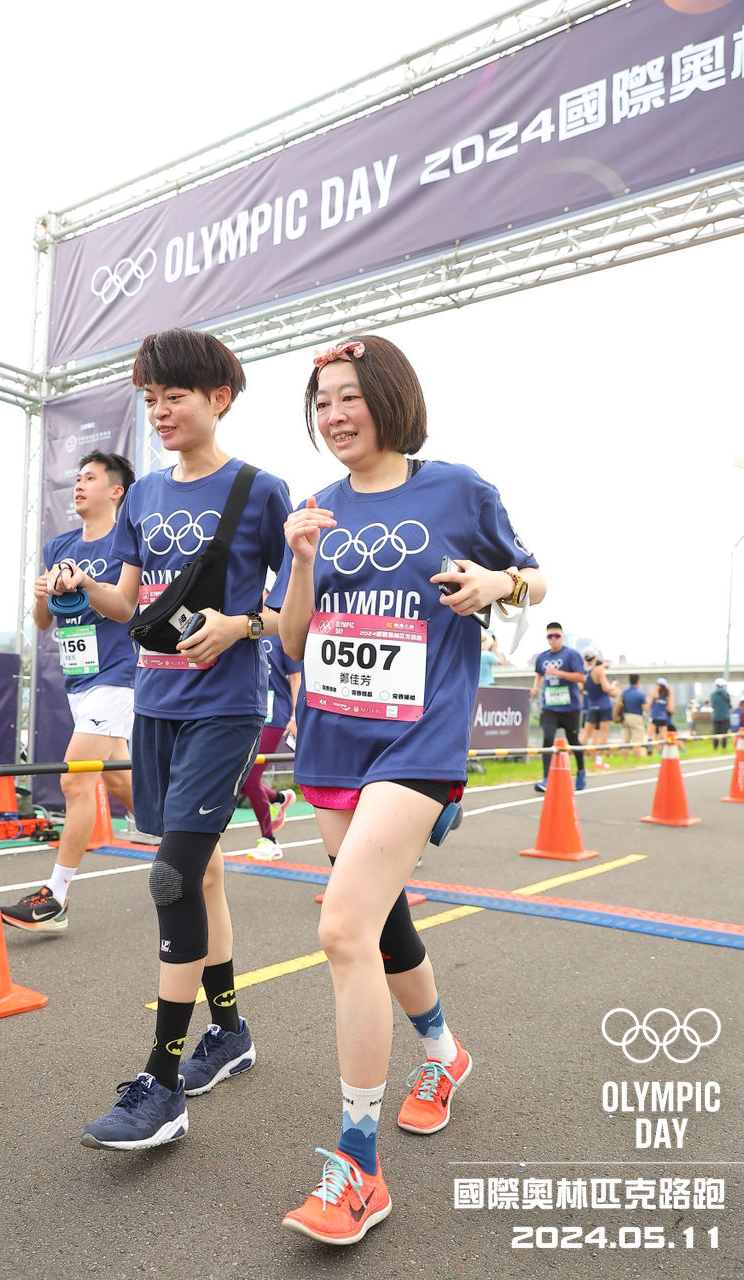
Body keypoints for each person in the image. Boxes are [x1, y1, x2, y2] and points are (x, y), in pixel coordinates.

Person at [268, 333, 545, 1245]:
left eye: (349, 396)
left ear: (389, 397)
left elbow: (534, 579)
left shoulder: (456, 489)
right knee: (382, 923)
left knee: (341, 928)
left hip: (417, 740)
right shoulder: (318, 508)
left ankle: (358, 1167)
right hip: (331, 742)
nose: (334, 415)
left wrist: (496, 581)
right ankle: (443, 1052)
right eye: (321, 404)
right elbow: (294, 643)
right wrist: (299, 559)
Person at [47, 327, 291, 1150]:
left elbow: (296, 611)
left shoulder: (260, 489)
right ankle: (231, 1033)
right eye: (150, 399)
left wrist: (242, 624)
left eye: (173, 396)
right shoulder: (144, 494)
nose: (158, 411)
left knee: (171, 876)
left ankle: (161, 1082)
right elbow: (128, 601)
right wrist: (82, 584)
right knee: (204, 873)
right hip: (155, 705)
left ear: (219, 398)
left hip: (226, 707)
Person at [1, 450, 137, 933]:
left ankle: (55, 897)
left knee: (75, 781)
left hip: (119, 674)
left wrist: (88, 582)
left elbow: (127, 606)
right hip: (79, 678)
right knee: (119, 781)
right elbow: (44, 622)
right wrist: (42, 596)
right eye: (77, 478)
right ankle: (185, 848)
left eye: (90, 478)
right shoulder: (59, 546)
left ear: (116, 490)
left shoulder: (129, 541)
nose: (78, 485)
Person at [240, 631, 301, 860]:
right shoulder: (242, 628)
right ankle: (278, 799)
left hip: (274, 714)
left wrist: (295, 717)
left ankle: (270, 840)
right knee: (238, 778)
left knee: (249, 778)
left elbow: (296, 678)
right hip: (245, 712)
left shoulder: (281, 633)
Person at [529, 624, 586, 793]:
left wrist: (558, 673)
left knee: (573, 741)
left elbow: (581, 677)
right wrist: (535, 687)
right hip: (550, 707)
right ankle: (547, 779)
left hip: (570, 707)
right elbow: (539, 673)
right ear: (547, 638)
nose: (553, 639)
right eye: (550, 636)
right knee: (547, 739)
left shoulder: (571, 654)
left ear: (562, 637)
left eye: (556, 636)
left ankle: (581, 771)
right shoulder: (542, 657)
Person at [580, 649, 620, 770]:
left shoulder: (583, 671)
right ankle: (599, 761)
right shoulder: (599, 670)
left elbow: (581, 687)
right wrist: (614, 686)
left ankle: (579, 760)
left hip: (591, 706)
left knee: (586, 735)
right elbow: (605, 688)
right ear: (595, 657)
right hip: (604, 706)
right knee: (603, 735)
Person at [620, 673, 647, 757]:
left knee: (625, 741)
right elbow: (645, 708)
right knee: (637, 742)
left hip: (625, 717)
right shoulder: (640, 694)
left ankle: (624, 759)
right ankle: (637, 759)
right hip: (636, 717)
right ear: (638, 681)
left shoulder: (625, 693)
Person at [646, 677, 675, 753]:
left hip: (654, 716)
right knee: (664, 736)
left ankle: (650, 749)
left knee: (650, 735)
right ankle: (665, 751)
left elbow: (649, 705)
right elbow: (671, 709)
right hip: (663, 718)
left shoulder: (654, 693)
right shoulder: (668, 695)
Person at [710, 677, 732, 748]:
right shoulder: (726, 694)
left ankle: (715, 746)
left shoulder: (712, 694)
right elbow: (729, 705)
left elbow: (712, 705)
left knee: (716, 732)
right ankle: (724, 746)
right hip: (725, 716)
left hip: (715, 716)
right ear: (722, 685)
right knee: (724, 732)